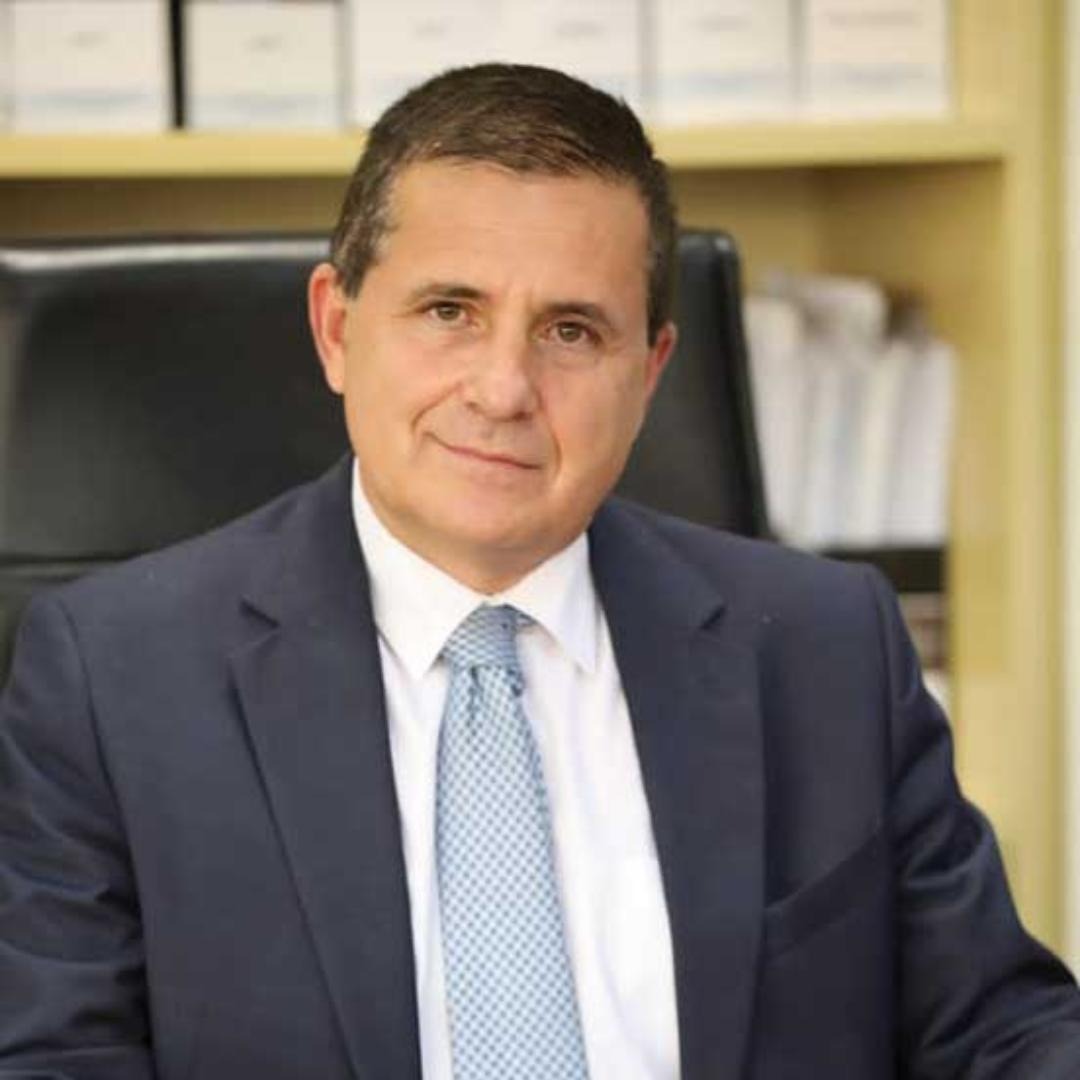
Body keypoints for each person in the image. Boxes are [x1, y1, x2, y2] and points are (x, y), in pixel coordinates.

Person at [1, 62, 1079, 1080]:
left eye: (571, 331)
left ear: (649, 372)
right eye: (450, 312)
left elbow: (1000, 1030)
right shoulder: (113, 680)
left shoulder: (827, 648)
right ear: (336, 328)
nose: (504, 389)